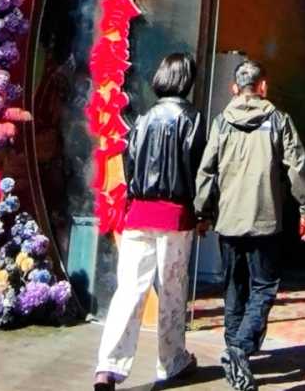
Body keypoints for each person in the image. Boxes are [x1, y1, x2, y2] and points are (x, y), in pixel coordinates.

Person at [195, 58, 305, 391]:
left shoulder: (221, 122)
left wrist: (202, 214)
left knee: (234, 288)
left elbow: (207, 170)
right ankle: (239, 350)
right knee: (264, 287)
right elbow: (297, 166)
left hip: (228, 221)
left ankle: (235, 356)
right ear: (262, 86)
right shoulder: (279, 120)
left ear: (235, 88)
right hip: (265, 220)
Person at [94, 52, 205, 391]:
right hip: (175, 214)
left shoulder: (142, 119)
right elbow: (199, 170)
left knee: (129, 289)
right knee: (172, 290)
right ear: (187, 79)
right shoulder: (192, 118)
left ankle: (108, 366)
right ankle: (171, 361)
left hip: (138, 213)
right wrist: (203, 212)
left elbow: (129, 164)